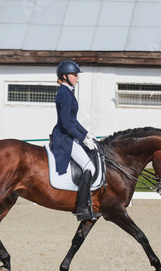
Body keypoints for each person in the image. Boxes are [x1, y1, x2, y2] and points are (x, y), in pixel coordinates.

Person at [51, 60, 101, 222]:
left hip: (69, 135)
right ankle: (81, 209)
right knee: (89, 168)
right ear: (65, 76)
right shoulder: (64, 94)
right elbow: (66, 124)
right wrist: (83, 138)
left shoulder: (68, 92)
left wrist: (88, 134)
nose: (77, 78)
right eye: (74, 75)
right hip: (64, 138)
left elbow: (73, 121)